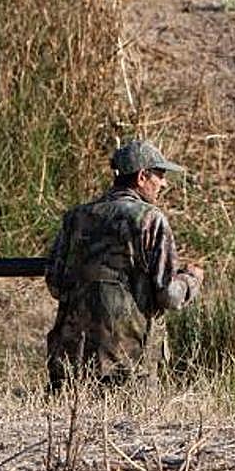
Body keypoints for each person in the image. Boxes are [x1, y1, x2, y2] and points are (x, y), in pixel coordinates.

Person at [44, 139, 203, 390]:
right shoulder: (150, 219)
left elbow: (55, 284)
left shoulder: (75, 218)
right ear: (142, 177)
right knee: (131, 430)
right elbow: (169, 296)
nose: (164, 183)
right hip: (129, 364)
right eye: (160, 175)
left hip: (71, 362)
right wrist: (191, 280)